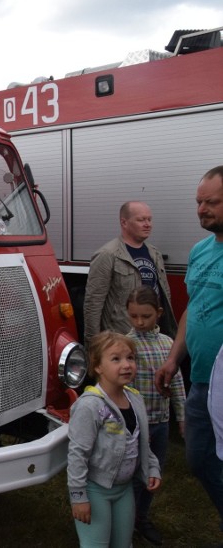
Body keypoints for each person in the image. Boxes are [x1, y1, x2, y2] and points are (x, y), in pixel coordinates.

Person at [156, 165, 223, 534]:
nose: (201, 209)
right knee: (198, 459)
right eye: (198, 202)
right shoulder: (200, 250)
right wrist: (172, 358)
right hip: (200, 380)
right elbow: (192, 310)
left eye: (211, 202)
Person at [68, 331, 161, 548]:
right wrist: (79, 497)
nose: (126, 365)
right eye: (116, 359)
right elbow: (77, 454)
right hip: (95, 490)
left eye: (130, 358)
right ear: (98, 366)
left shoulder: (134, 398)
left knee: (123, 543)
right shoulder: (90, 406)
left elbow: (141, 441)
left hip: (124, 489)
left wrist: (152, 468)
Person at [125, 286, 185, 545]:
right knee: (134, 476)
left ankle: (141, 517)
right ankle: (125, 520)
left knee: (153, 474)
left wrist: (182, 419)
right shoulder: (126, 345)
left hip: (160, 424)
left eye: (146, 316)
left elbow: (178, 384)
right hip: (137, 427)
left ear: (158, 314)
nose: (139, 322)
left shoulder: (169, 345)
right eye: (134, 316)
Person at [84, 201, 176, 344]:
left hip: (152, 337)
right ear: (124, 223)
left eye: (149, 219)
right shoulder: (107, 255)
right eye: (141, 220)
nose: (148, 224)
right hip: (122, 338)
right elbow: (93, 303)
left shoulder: (155, 253)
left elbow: (164, 296)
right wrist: (94, 345)